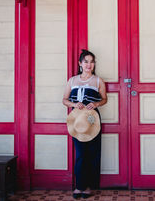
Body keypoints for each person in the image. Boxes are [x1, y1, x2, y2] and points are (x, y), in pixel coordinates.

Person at [63, 49, 107, 199]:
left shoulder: (98, 80)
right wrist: (74, 104)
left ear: (94, 64)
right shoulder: (72, 80)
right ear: (80, 64)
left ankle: (88, 186)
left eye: (92, 62)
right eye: (86, 61)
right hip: (77, 121)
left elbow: (104, 99)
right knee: (81, 154)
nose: (89, 64)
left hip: (92, 121)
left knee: (92, 154)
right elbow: (64, 100)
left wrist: (95, 103)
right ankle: (79, 186)